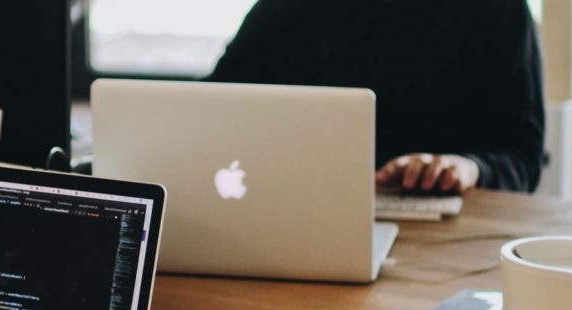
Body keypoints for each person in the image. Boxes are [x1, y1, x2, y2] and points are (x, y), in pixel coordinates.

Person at [208, 0, 545, 193]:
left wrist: (470, 167)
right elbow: (211, 106)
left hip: (437, 231)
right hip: (294, 210)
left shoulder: (497, 10)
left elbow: (522, 156)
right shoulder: (287, 8)